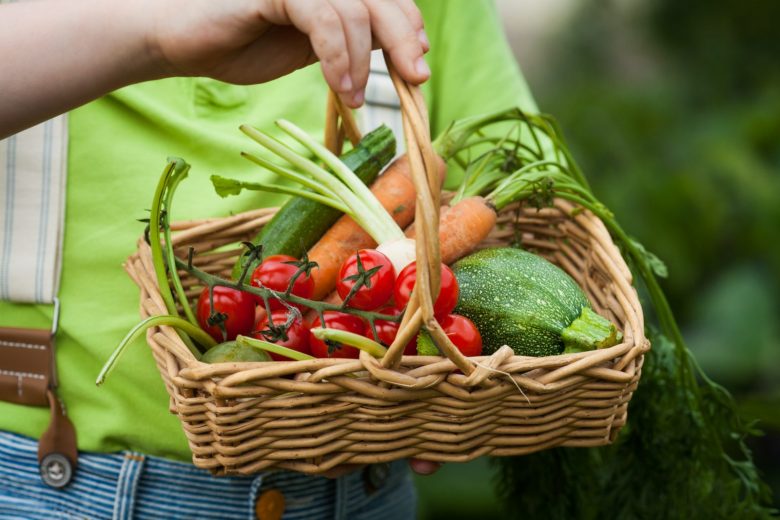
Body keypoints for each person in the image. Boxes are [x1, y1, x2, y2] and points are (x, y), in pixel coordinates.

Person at [0, 0, 537, 518]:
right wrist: (154, 31)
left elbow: (529, 221)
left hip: (361, 482)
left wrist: (445, 383)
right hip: (51, 479)